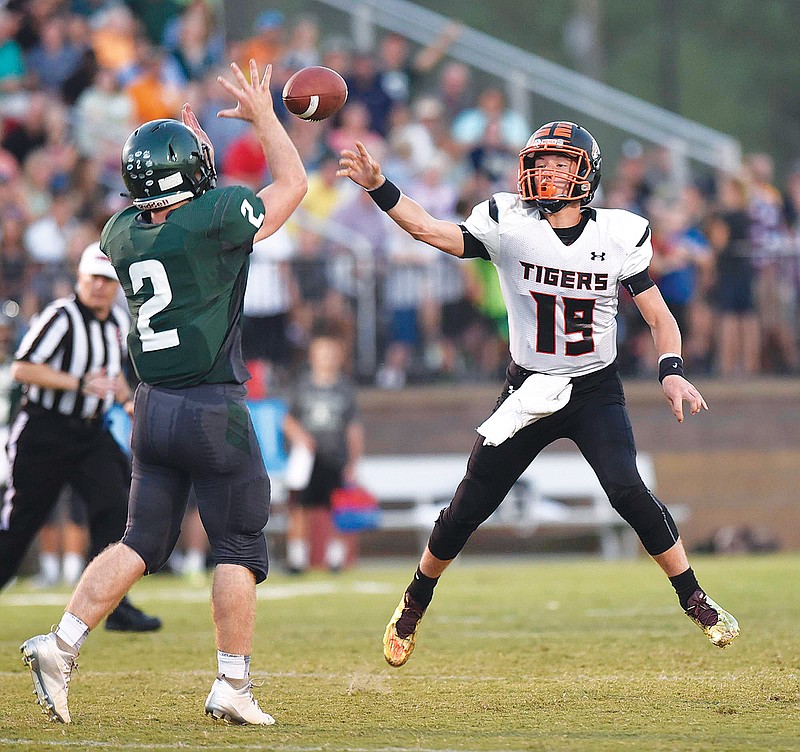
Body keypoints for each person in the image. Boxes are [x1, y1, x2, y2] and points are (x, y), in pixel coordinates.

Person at [336, 121, 740, 669]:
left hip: (595, 388)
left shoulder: (619, 233)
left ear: (586, 173)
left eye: (560, 162)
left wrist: (670, 370)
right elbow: (431, 231)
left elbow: (659, 317)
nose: (546, 171)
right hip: (529, 389)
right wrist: (381, 186)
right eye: (540, 161)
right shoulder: (511, 223)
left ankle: (694, 597)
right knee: (469, 506)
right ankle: (414, 600)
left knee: (627, 490)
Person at [19, 59, 307, 725]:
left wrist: (189, 155)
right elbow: (290, 182)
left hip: (152, 410)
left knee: (139, 540)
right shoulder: (215, 215)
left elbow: (174, 206)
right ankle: (232, 684)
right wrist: (265, 117)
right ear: (194, 175)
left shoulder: (119, 233)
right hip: (213, 409)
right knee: (237, 546)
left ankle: (62, 644)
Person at [0, 242, 161, 631]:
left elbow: (111, 374)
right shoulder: (61, 317)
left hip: (90, 433)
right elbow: (22, 369)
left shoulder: (118, 322)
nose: (100, 287)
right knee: (22, 522)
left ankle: (115, 605)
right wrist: (76, 383)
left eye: (108, 280)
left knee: (117, 508)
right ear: (80, 278)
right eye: (94, 279)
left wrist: (126, 402)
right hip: (44, 432)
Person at [282, 331, 364, 574]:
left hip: (334, 457)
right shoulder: (302, 386)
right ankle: (297, 559)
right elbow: (287, 420)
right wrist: (301, 437)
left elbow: (354, 428)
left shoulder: (345, 389)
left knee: (337, 509)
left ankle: (335, 558)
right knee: (299, 508)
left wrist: (353, 461)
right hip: (306, 460)